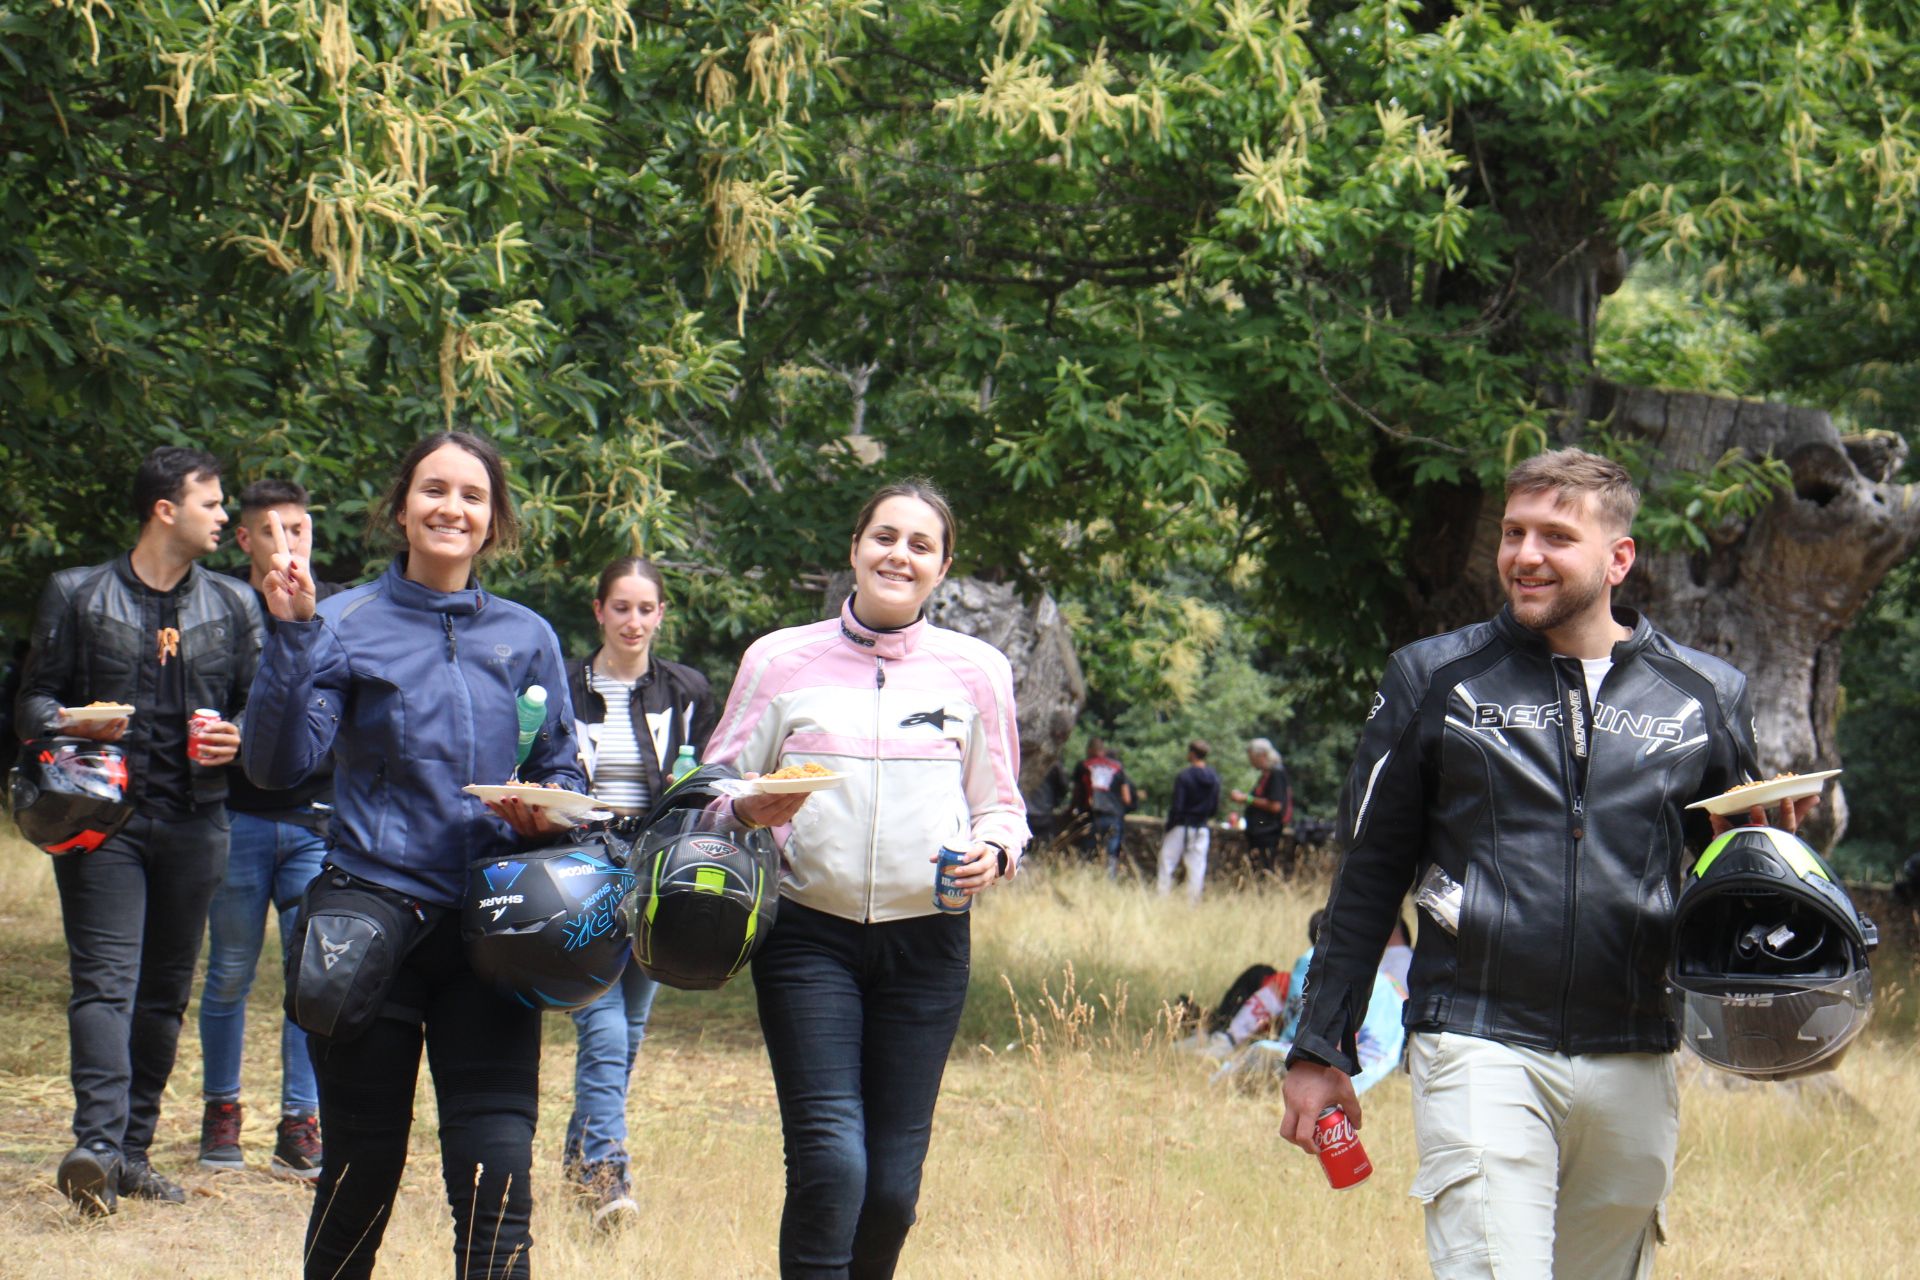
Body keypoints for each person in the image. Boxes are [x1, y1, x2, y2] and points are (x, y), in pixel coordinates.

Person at [1280, 448, 1809, 1279]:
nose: (1525, 556)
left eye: (1556, 536)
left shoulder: (1706, 694)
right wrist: (1320, 1046)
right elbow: (1369, 873)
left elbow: (1727, 887)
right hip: (1477, 1040)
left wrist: (1777, 857)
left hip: (1635, 1049)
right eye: (1513, 532)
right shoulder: (1434, 678)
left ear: (1618, 558)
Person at [243, 431, 582, 1280]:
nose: (451, 508)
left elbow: (560, 766)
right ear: (401, 507)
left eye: (472, 495)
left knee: (497, 1186)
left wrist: (550, 814)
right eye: (434, 490)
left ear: (494, 518)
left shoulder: (527, 635)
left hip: (497, 934)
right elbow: (275, 765)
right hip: (370, 928)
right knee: (360, 1177)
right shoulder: (343, 621)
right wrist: (290, 637)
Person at [704, 478, 1029, 1279]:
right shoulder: (779, 660)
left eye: (921, 545)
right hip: (808, 939)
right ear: (854, 549)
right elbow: (709, 788)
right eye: (884, 537)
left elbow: (1004, 806)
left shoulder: (977, 671)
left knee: (890, 1190)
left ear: (943, 566)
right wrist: (749, 807)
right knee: (831, 1166)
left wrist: (995, 851)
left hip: (928, 949)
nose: (899, 555)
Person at [14, 445, 264, 1215]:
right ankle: (94, 1145)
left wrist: (240, 737)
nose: (225, 517)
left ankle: (131, 1155)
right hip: (102, 821)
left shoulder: (234, 605)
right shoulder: (78, 595)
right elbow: (30, 703)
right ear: (167, 510)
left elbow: (266, 710)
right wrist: (67, 720)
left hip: (198, 821)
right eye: (212, 502)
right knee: (106, 984)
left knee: (162, 995)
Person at [560, 555, 716, 1227]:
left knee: (631, 1027)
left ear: (661, 616)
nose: (633, 621)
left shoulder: (685, 690)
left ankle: (579, 1161)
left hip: (655, 869)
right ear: (598, 611)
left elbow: (705, 780)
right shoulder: (561, 685)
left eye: (645, 609)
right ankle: (605, 1173)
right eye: (620, 607)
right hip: (583, 865)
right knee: (601, 1023)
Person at [197, 479, 341, 1180]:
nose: (286, 544)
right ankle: (220, 1111)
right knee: (227, 972)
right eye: (270, 531)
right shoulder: (218, 606)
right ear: (245, 539)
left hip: (315, 821)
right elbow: (194, 699)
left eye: (297, 528)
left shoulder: (334, 608)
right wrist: (219, 733)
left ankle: (300, 1120)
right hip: (235, 817)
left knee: (306, 978)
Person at [1157, 739, 1221, 901]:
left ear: (1192, 754)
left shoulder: (1184, 776)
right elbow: (1214, 807)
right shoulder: (1214, 778)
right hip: (1201, 827)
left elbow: (1178, 806)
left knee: (1167, 862)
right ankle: (1193, 903)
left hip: (1182, 825)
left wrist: (1170, 826)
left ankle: (1162, 897)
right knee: (1197, 868)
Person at [1072, 736, 1133, 877]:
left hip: (1091, 817)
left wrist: (1072, 810)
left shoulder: (1083, 766)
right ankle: (1109, 885)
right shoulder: (1118, 767)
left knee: (1088, 854)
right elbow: (1127, 798)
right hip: (1114, 816)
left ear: (1089, 750)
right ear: (1103, 750)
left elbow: (1076, 794)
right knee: (1111, 855)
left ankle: (1085, 882)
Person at [1229, 737, 1291, 871]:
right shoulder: (1266, 774)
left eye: (1252, 757)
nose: (1251, 761)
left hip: (1267, 832)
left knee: (1263, 868)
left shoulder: (1276, 773)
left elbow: (1276, 806)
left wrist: (1247, 799)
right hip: (1258, 831)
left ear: (1262, 755)